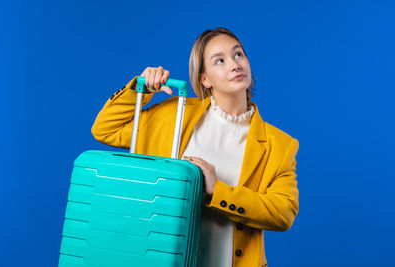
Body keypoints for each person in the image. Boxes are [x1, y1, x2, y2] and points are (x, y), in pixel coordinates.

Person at [91, 27, 300, 267]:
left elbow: (283, 213)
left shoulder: (279, 144)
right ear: (204, 79)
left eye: (238, 54)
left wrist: (217, 190)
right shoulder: (173, 115)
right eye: (219, 60)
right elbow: (105, 129)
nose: (234, 64)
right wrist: (142, 89)